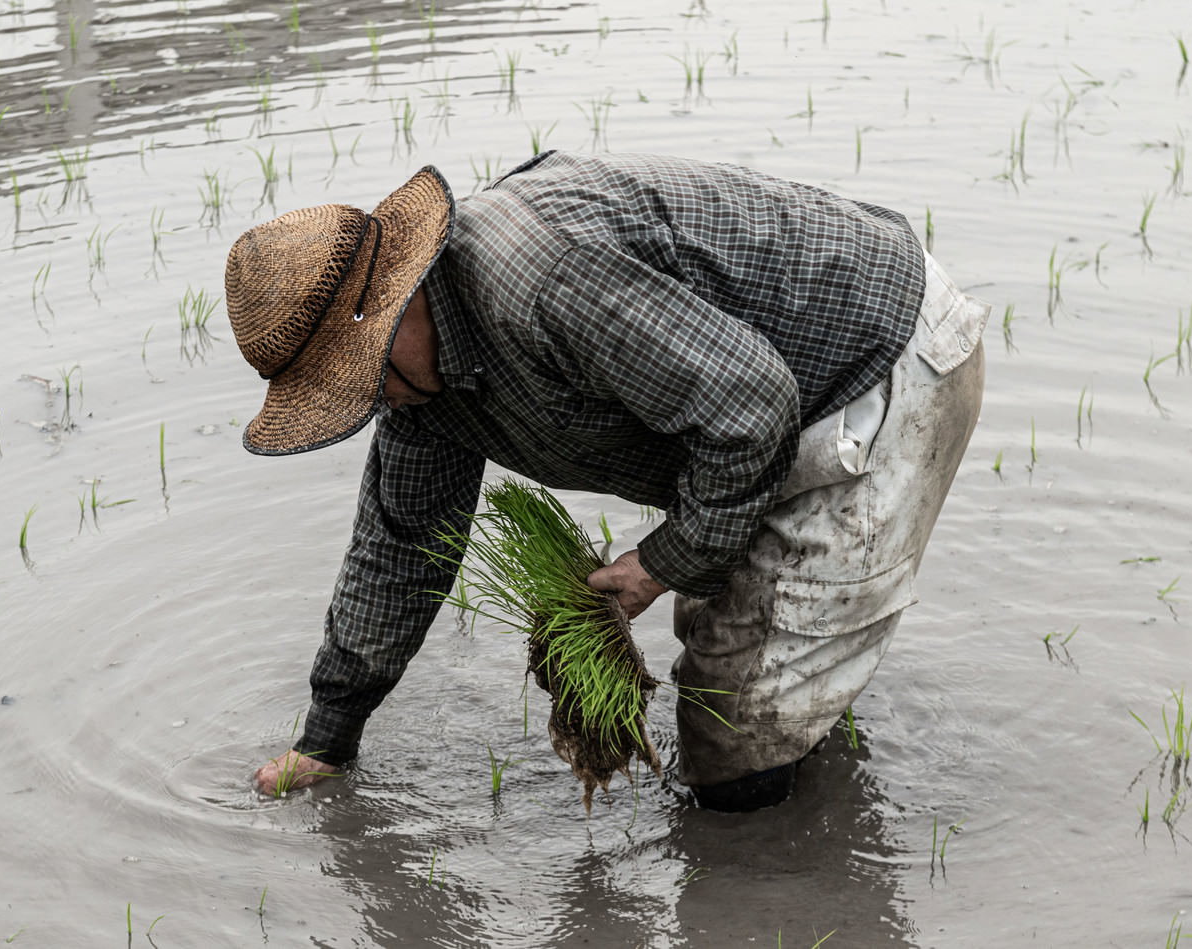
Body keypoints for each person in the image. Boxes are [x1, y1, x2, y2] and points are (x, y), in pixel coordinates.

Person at [229, 151, 987, 812]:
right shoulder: (423, 395)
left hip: (874, 369)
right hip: (758, 408)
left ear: (398, 306)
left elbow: (751, 409)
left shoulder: (541, 282)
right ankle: (804, 763)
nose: (372, 405)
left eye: (359, 380)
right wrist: (327, 738)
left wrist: (658, 565)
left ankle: (768, 885)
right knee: (728, 660)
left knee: (733, 733)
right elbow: (401, 551)